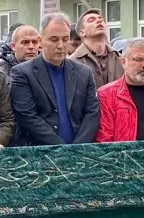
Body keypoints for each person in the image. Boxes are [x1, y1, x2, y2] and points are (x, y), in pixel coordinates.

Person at [10, 13, 100, 146]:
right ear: (40, 41)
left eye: (65, 39)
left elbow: (92, 113)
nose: (61, 45)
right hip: (40, 150)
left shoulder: (84, 72)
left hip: (79, 150)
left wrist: (78, 147)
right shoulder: (22, 73)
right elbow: (27, 116)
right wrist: (61, 148)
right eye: (54, 39)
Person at [68, 8, 123, 89]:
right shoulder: (71, 63)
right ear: (82, 32)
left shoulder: (121, 59)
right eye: (91, 20)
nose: (99, 21)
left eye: (101, 19)